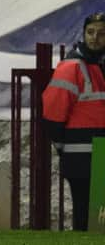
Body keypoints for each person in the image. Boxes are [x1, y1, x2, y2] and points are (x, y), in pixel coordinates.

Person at [42, 12, 105, 231]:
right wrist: (62, 147)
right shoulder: (72, 67)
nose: (94, 38)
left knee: (97, 219)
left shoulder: (98, 66)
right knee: (87, 215)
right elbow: (52, 113)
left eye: (101, 34)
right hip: (82, 154)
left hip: (97, 150)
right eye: (90, 32)